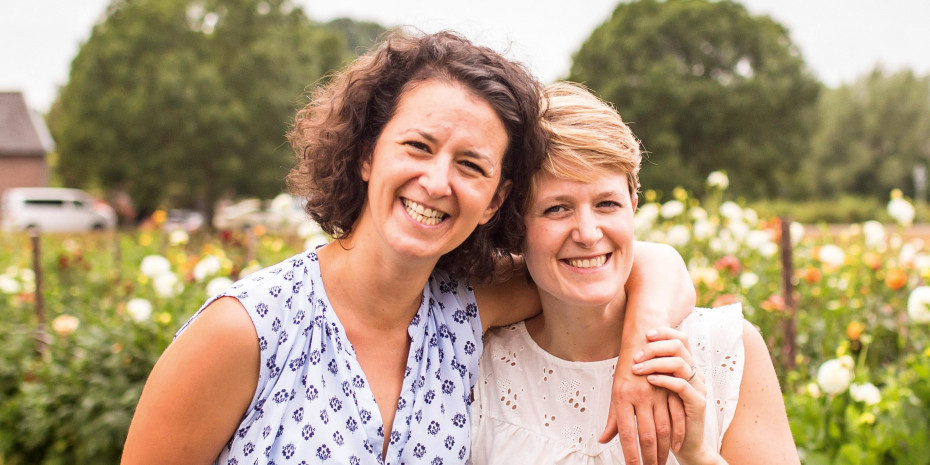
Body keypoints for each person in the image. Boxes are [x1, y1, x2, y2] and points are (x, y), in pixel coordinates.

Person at [121, 32, 693, 465]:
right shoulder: (244, 331)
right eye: (418, 146)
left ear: (496, 200)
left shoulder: (465, 311)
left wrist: (640, 358)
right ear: (367, 154)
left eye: (471, 165)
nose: (438, 181)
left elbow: (630, 260)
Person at [470, 82, 799, 464]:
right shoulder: (480, 366)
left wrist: (695, 453)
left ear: (633, 204)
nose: (589, 234)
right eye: (557, 209)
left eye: (607, 203)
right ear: (515, 225)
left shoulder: (726, 348)